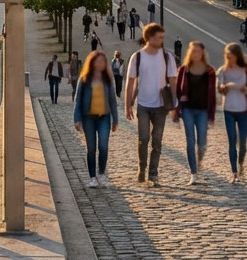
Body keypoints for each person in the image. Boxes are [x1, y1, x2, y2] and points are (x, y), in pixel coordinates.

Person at [124, 23, 178, 187]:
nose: (162, 40)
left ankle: (153, 173)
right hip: (144, 104)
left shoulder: (167, 57)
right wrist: (128, 105)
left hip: (161, 105)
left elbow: (173, 80)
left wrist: (175, 103)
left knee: (157, 141)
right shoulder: (137, 57)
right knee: (143, 138)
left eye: (163, 37)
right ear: (149, 38)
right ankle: (142, 168)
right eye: (158, 37)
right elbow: (130, 82)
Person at [73, 50, 120, 188]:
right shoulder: (85, 79)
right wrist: (77, 118)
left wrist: (115, 120)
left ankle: (101, 174)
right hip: (88, 118)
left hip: (104, 117)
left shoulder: (107, 80)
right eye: (98, 61)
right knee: (91, 148)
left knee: (103, 147)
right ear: (92, 63)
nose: (100, 64)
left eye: (102, 61)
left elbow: (112, 100)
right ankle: (92, 177)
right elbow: (78, 100)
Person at [173, 41, 216, 185]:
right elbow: (178, 91)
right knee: (190, 141)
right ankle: (193, 173)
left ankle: (199, 164)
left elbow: (212, 95)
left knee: (202, 142)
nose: (196, 54)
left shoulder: (210, 71)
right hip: (188, 110)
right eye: (193, 51)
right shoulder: (184, 70)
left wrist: (212, 115)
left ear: (203, 53)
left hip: (203, 110)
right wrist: (178, 106)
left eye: (198, 51)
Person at [218, 42, 247, 183]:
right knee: (232, 142)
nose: (229, 59)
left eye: (231, 56)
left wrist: (245, 89)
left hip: (243, 110)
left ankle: (241, 165)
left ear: (237, 56)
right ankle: (234, 173)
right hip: (228, 110)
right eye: (227, 56)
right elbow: (219, 89)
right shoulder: (223, 71)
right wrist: (224, 87)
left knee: (242, 143)